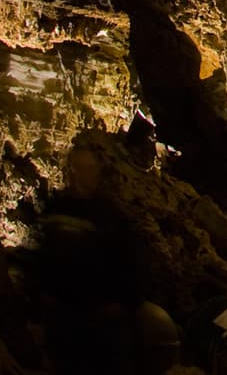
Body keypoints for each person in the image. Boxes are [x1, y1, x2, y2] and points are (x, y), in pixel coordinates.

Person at [35, 144, 143, 375]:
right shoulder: (56, 208)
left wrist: (124, 303)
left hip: (100, 316)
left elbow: (127, 260)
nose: (78, 175)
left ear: (96, 172)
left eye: (85, 169)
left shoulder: (110, 215)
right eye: (75, 168)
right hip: (65, 313)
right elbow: (46, 255)